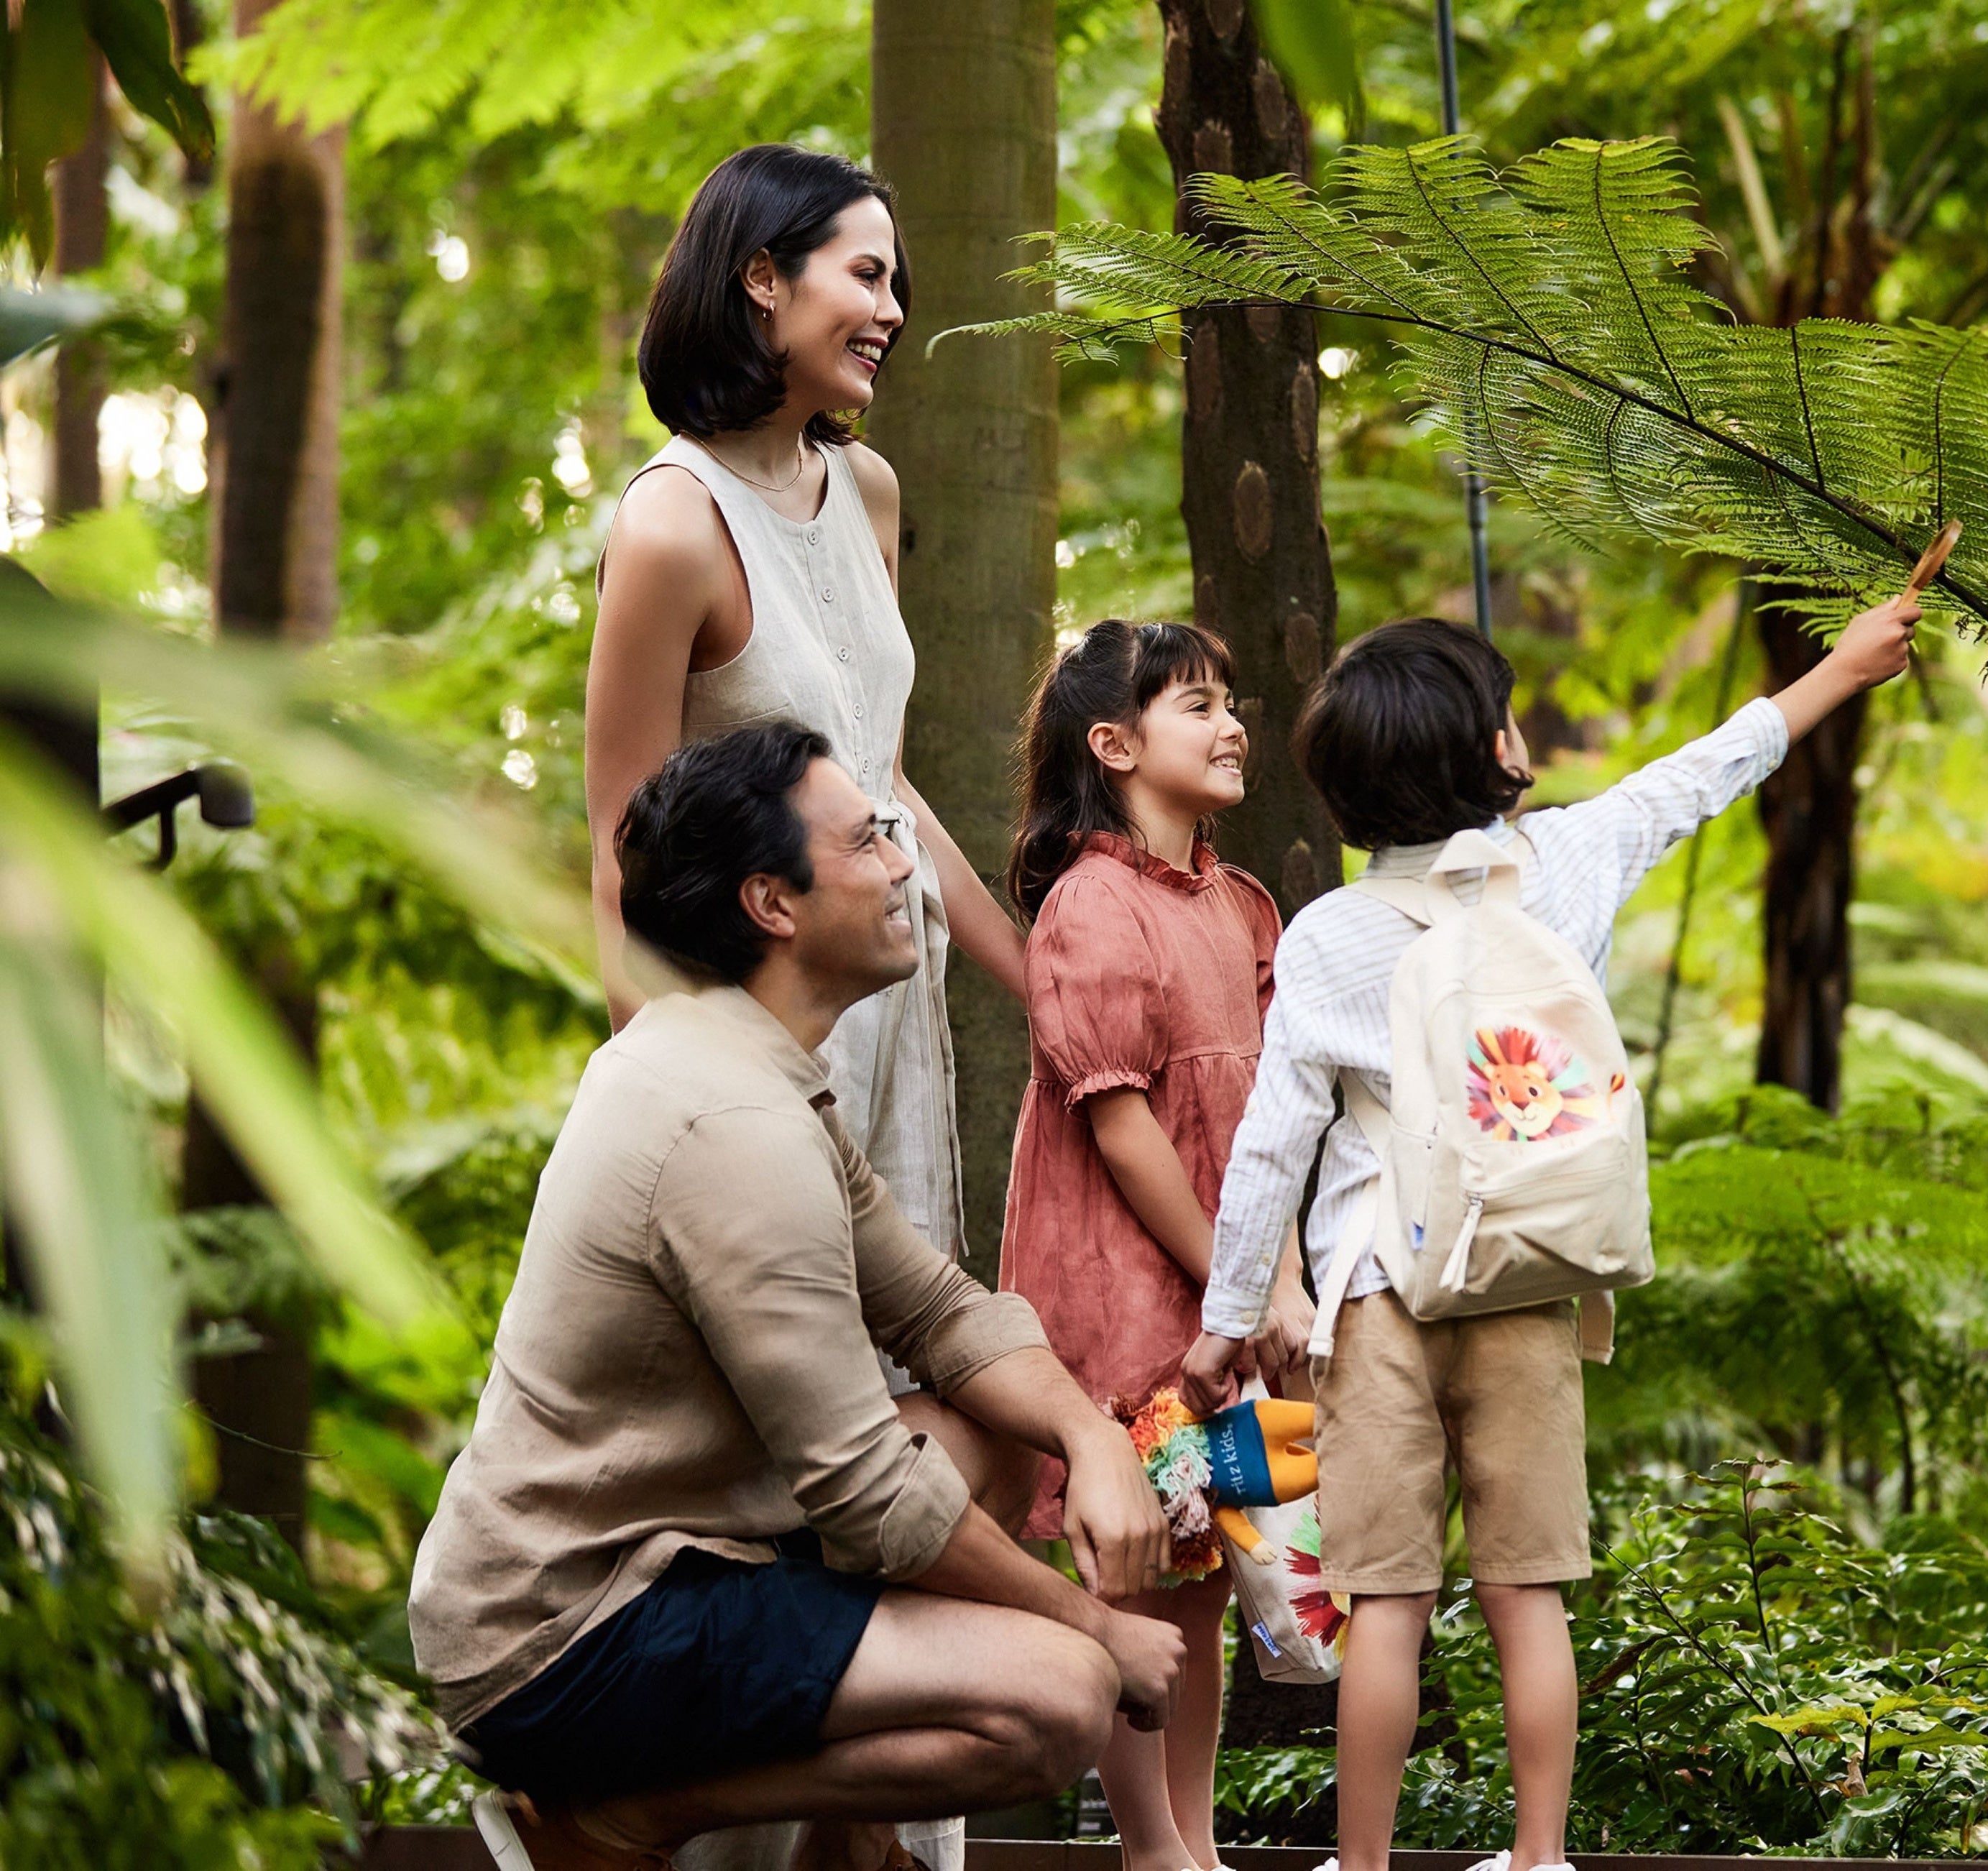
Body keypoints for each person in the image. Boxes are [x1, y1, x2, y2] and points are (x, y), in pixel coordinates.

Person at [1179, 597, 1923, 1871]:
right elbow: (1707, 771)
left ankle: (1360, 1869)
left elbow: (1270, 1148)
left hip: (1377, 1295)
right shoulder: (1568, 869)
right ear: (1497, 758)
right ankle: (1538, 1859)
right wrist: (1847, 669)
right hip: (1527, 1283)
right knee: (1529, 1594)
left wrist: (1227, 1322)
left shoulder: (1327, 937)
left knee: (1388, 1606)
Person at [411, 723, 1184, 1871]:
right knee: (1059, 1700)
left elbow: (941, 1313)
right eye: (871, 839)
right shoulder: (734, 1128)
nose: (905, 863)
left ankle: (852, 1852)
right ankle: (608, 1824)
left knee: (989, 1424)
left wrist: (1091, 1436)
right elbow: (869, 1494)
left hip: (688, 1556)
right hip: (566, 1636)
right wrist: (1097, 1627)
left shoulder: (751, 1068)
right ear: (773, 904)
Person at [589, 141, 1022, 1267]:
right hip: (749, 1016)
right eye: (866, 277)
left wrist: (1033, 979)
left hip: (888, 980)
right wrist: (655, 1096)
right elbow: (618, 834)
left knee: (906, 1348)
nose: (892, 311)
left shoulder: (868, 493)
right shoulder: (672, 526)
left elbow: (881, 777)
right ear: (763, 278)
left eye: (896, 287)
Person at [995, 621, 1309, 1871]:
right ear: (1114, 744)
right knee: (1132, 1549)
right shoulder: (1089, 903)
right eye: (1197, 705)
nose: (1232, 724)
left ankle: (1195, 1840)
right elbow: (1126, 1136)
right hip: (1125, 1284)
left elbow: (1279, 1119)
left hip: (1231, 1288)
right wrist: (1235, 1280)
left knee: (1207, 1565)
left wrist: (1272, 1278)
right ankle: (1148, 1849)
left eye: (1230, 701)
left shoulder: (1243, 907)